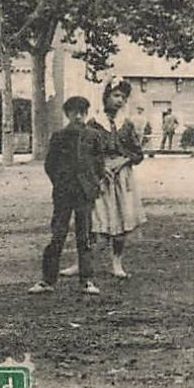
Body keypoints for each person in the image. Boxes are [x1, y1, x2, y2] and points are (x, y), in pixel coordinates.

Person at [68, 78, 145, 281]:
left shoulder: (126, 125)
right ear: (106, 97)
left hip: (121, 178)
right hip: (99, 177)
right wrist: (100, 167)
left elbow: (137, 153)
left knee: (121, 219)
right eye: (116, 95)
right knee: (91, 220)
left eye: (124, 97)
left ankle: (116, 263)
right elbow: (85, 152)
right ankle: (81, 262)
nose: (120, 101)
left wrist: (121, 162)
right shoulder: (93, 123)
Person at [32, 96, 103, 296]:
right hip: (64, 193)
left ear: (87, 113)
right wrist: (60, 183)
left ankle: (87, 280)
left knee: (86, 235)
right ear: (67, 114)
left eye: (82, 112)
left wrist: (92, 184)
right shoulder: (59, 136)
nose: (78, 116)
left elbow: (99, 165)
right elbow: (50, 165)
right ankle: (47, 280)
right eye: (74, 112)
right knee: (58, 234)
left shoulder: (94, 136)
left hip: (85, 193)